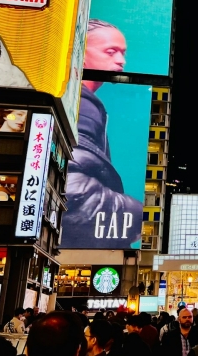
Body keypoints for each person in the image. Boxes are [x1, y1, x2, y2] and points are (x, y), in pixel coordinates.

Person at [61, 19, 142, 249]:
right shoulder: (81, 103)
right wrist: (139, 215)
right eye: (111, 51)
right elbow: (72, 188)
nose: (121, 61)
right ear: (80, 51)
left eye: (123, 53)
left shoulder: (80, 99)